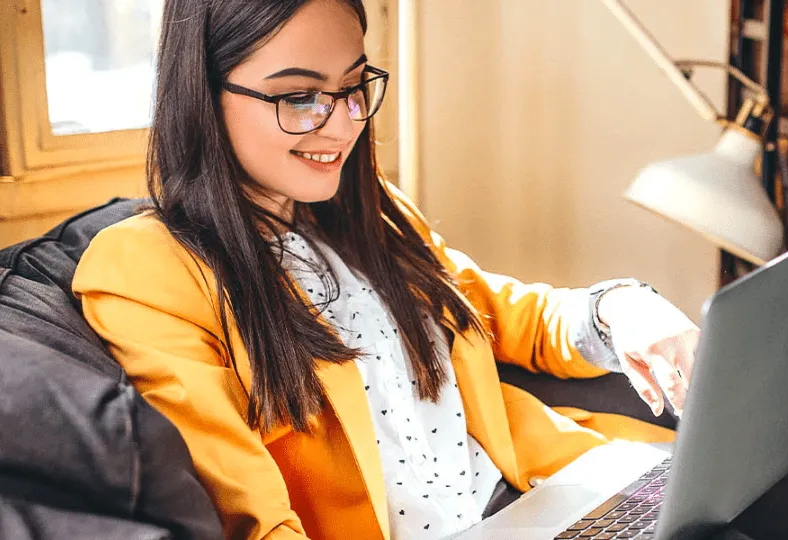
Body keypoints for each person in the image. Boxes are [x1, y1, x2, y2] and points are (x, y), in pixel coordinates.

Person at [72, 1, 700, 539]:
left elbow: (502, 314)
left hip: (545, 493)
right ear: (203, 95)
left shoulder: (371, 212)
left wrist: (620, 306)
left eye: (352, 86)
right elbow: (247, 514)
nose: (344, 123)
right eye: (299, 96)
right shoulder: (147, 269)